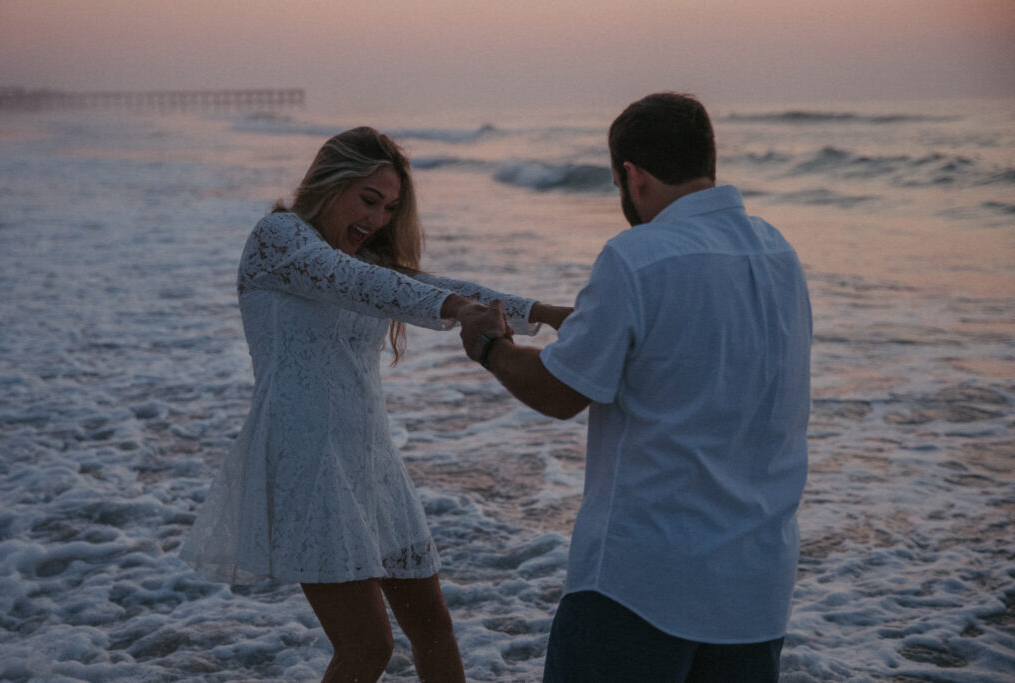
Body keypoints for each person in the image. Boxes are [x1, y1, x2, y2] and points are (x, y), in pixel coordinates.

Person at [179, 126, 567, 683]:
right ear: (328, 182)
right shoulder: (279, 237)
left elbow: (417, 283)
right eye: (368, 200)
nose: (378, 219)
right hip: (309, 459)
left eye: (389, 208)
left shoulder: (363, 259)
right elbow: (359, 283)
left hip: (371, 457)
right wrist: (459, 309)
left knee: (433, 628)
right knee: (367, 648)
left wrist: (547, 313)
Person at [459, 93, 811, 682]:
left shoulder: (636, 257)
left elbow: (560, 391)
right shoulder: (780, 253)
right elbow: (698, 353)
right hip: (756, 589)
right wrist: (573, 319)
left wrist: (491, 348)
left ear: (633, 176)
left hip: (642, 584)